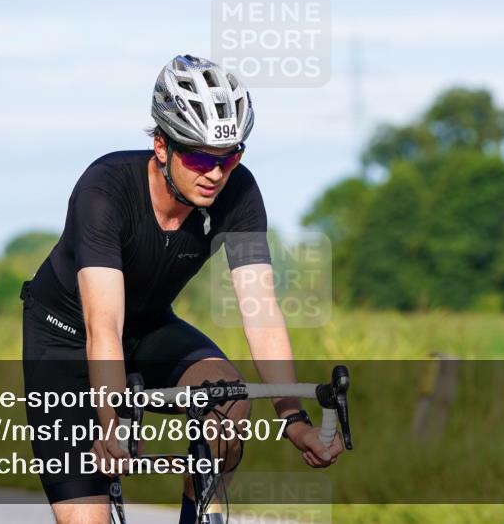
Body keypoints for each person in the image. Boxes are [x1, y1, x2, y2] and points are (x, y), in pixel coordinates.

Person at [21, 54, 345, 524]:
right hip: (67, 339)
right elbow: (103, 326)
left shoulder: (239, 193)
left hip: (150, 329)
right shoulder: (104, 190)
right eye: (197, 157)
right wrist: (111, 424)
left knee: (229, 397)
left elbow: (262, 312)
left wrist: (293, 421)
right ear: (160, 146)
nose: (215, 173)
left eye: (230, 156)